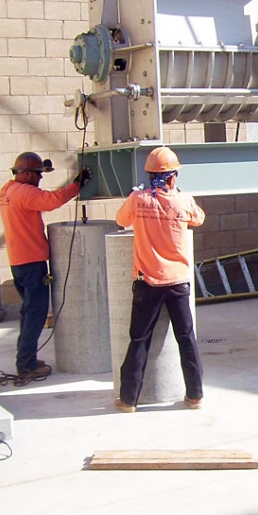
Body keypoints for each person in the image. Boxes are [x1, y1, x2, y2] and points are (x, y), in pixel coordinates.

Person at [114, 146, 206, 413]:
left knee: (139, 340)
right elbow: (199, 219)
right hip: (177, 282)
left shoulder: (138, 199)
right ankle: (195, 396)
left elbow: (121, 219)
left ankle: (129, 400)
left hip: (147, 283)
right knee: (186, 339)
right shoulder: (183, 200)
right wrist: (175, 197)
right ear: (172, 177)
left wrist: (138, 197)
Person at [0, 152, 91, 379]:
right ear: (27, 173)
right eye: (38, 174)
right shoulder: (24, 192)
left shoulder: (7, 190)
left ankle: (26, 358)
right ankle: (26, 365)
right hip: (31, 263)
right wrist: (77, 184)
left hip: (19, 261)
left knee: (28, 312)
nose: (40, 178)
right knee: (36, 314)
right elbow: (53, 201)